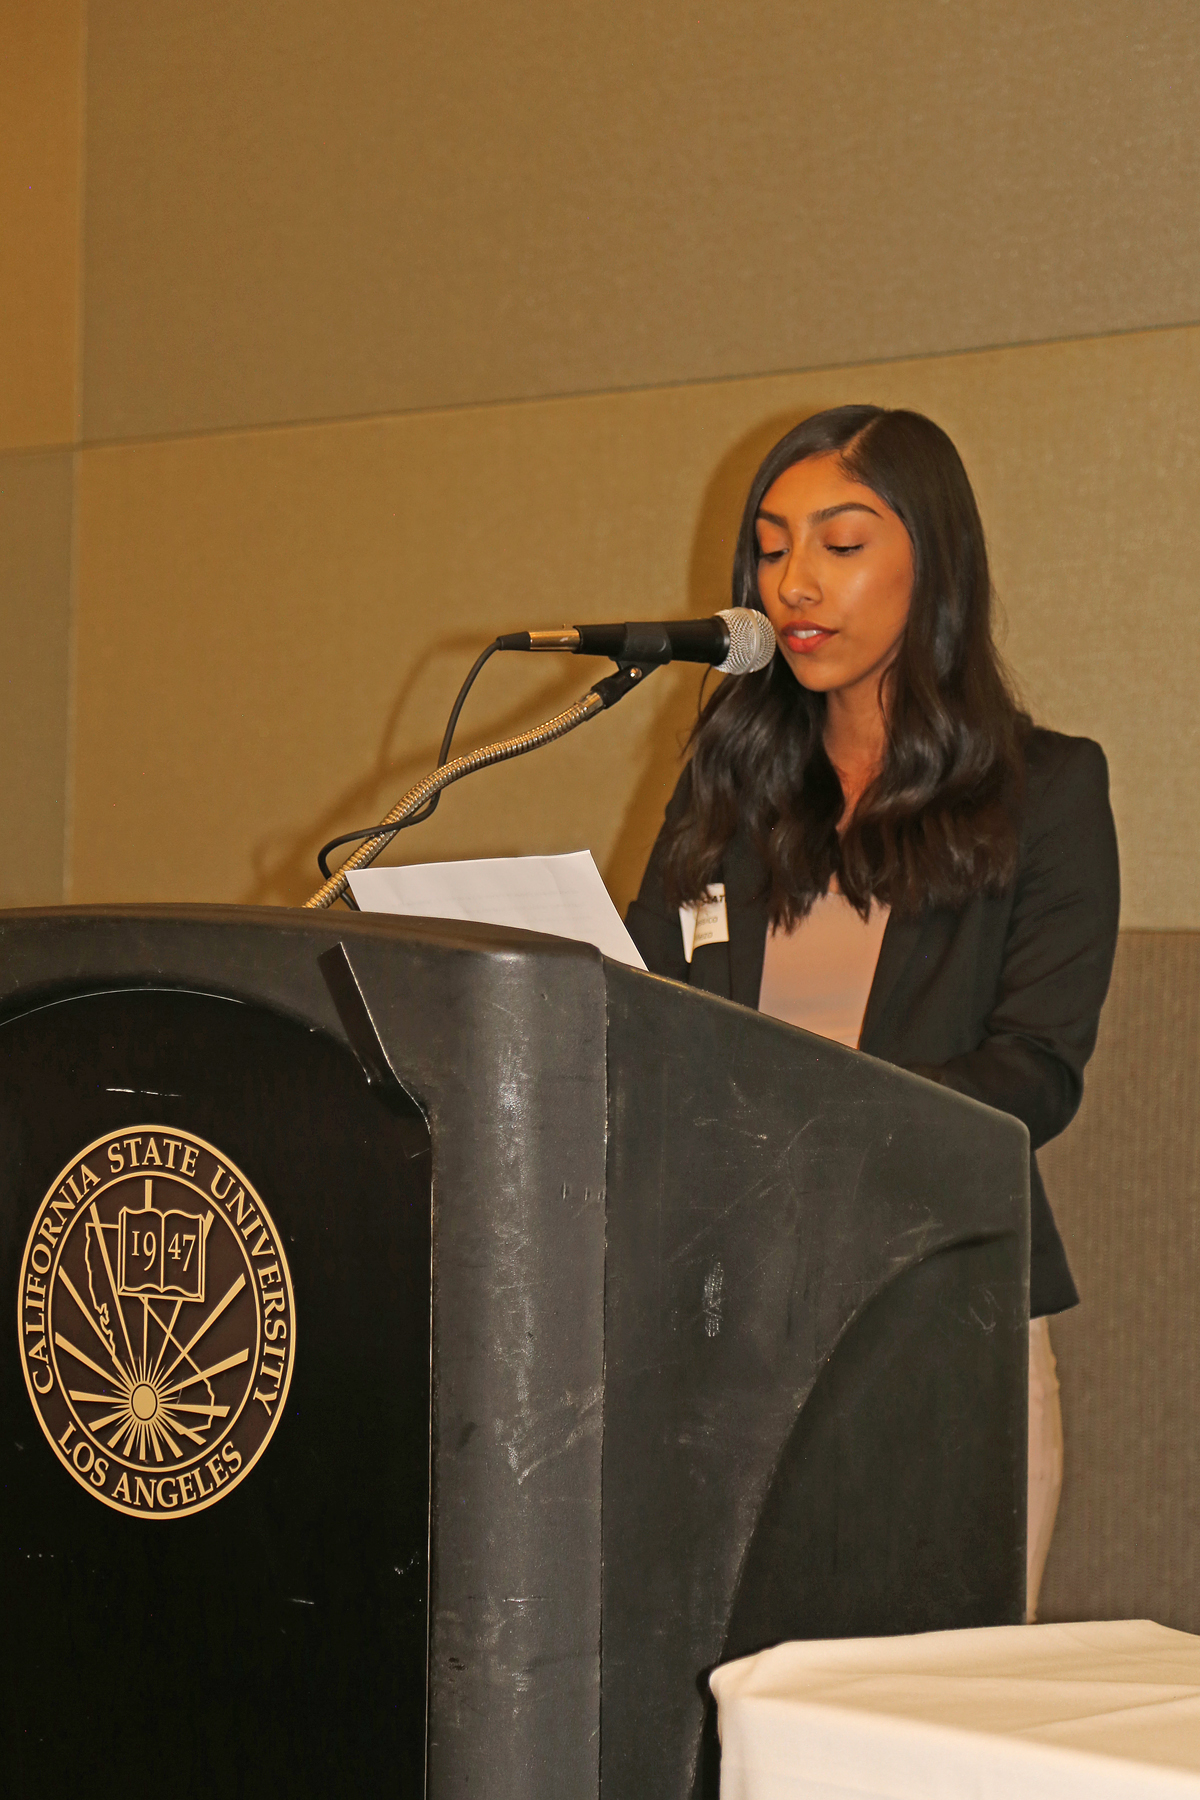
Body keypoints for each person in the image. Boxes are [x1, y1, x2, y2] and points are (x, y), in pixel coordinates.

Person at [625, 405, 1120, 1621]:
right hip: (727, 1325)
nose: (795, 582)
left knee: (915, 1722)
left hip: (942, 1324)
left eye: (840, 546)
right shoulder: (728, 785)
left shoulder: (1047, 791)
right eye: (774, 546)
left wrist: (814, 1113)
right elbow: (640, 1008)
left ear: (933, 564)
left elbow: (1037, 1070)